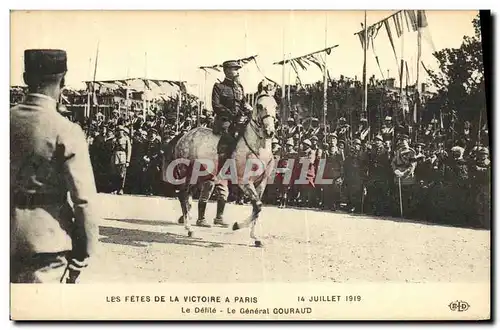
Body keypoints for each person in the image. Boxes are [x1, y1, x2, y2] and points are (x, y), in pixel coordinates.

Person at [10, 49, 99, 283]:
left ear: (25, 78)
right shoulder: (66, 130)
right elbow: (84, 200)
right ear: (63, 80)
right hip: (46, 245)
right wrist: (83, 253)